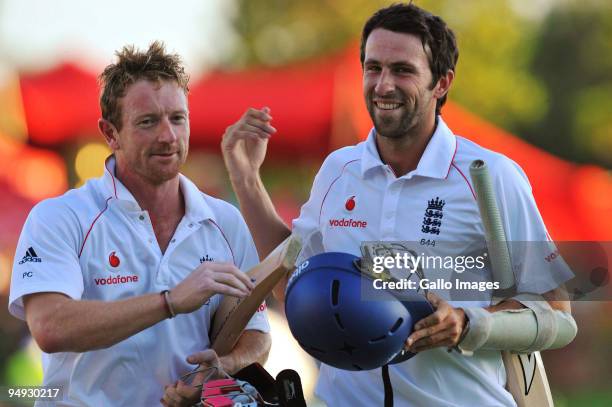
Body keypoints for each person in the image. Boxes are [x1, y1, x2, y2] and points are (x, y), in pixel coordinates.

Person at [221, 3, 575, 406]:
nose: (383, 85)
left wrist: (468, 323)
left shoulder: (489, 176)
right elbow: (293, 283)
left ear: (442, 83)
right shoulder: (339, 170)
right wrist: (247, 180)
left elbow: (556, 314)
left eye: (402, 70)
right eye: (373, 68)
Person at [9, 42, 271, 407]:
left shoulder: (225, 220)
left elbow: (257, 334)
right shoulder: (60, 217)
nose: (168, 136)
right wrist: (169, 302)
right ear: (110, 133)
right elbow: (50, 327)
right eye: (148, 122)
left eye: (177, 118)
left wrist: (223, 367)